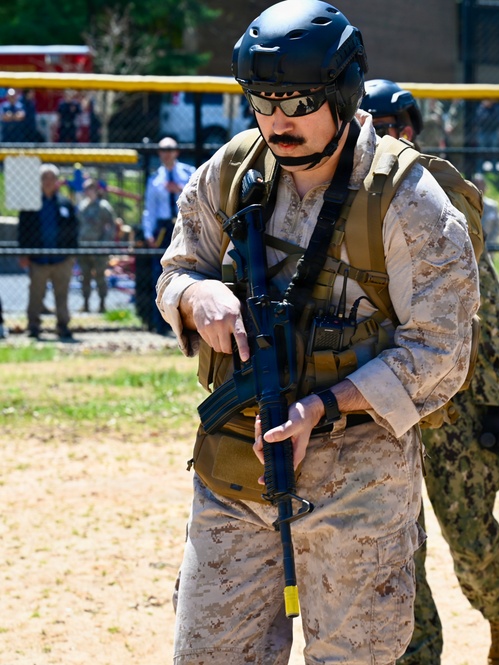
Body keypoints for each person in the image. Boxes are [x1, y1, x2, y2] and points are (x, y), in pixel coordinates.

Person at [159, 3, 478, 664]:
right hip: (233, 467)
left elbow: (440, 352)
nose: (278, 120)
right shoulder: (235, 170)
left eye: (299, 102)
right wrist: (196, 294)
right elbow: (176, 267)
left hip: (357, 481)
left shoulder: (409, 201)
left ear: (341, 95)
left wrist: (322, 405)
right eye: (261, 101)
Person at [359, 77, 499, 665]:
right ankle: (417, 654)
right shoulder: (342, 204)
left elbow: (486, 304)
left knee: (470, 534)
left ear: (411, 131)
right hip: (381, 404)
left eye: (395, 126)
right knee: (398, 550)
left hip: (454, 408)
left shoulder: (442, 195)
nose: (385, 136)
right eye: (374, 125)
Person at [17, 163, 79, 340]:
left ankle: (63, 326)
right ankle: (34, 326)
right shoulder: (30, 205)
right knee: (36, 294)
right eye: (44, 178)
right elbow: (23, 231)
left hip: (62, 259)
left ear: (57, 181)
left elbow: (74, 229)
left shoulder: (65, 203)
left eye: (52, 178)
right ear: (39, 181)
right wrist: (24, 253)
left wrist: (72, 255)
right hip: (38, 258)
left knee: (62, 295)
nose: (48, 181)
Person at [141, 136, 195, 334]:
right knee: (161, 273)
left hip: (184, 225)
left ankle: (185, 322)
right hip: (164, 229)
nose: (167, 153)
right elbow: (150, 208)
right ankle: (160, 323)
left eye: (170, 149)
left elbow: (198, 197)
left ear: (176, 152)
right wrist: (148, 233)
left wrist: (179, 189)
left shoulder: (189, 173)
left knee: (187, 270)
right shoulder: (155, 179)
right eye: (163, 150)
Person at [77, 179, 118, 313]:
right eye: (85, 189)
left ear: (95, 190)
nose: (87, 191)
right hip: (84, 246)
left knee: (100, 275)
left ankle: (102, 303)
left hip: (99, 247)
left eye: (89, 188)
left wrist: (106, 243)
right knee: (85, 276)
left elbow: (111, 226)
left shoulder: (103, 206)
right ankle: (86, 303)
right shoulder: (82, 205)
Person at [472, 173, 499, 249]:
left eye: (481, 184)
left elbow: (497, 226)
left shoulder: (493, 206)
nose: (479, 187)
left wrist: (491, 241)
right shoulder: (468, 206)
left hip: (490, 246)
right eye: (476, 184)